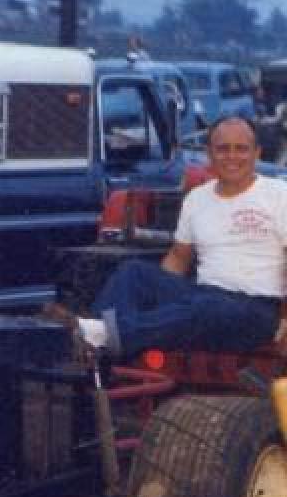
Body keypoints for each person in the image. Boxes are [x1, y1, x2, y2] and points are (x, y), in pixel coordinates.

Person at [73, 115, 287, 360]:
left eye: (241, 149)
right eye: (223, 149)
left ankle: (102, 336)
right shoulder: (196, 199)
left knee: (207, 307)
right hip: (205, 295)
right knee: (134, 273)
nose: (232, 157)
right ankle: (101, 349)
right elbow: (178, 257)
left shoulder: (279, 195)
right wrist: (159, 293)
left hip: (259, 310)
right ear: (209, 154)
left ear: (257, 153)